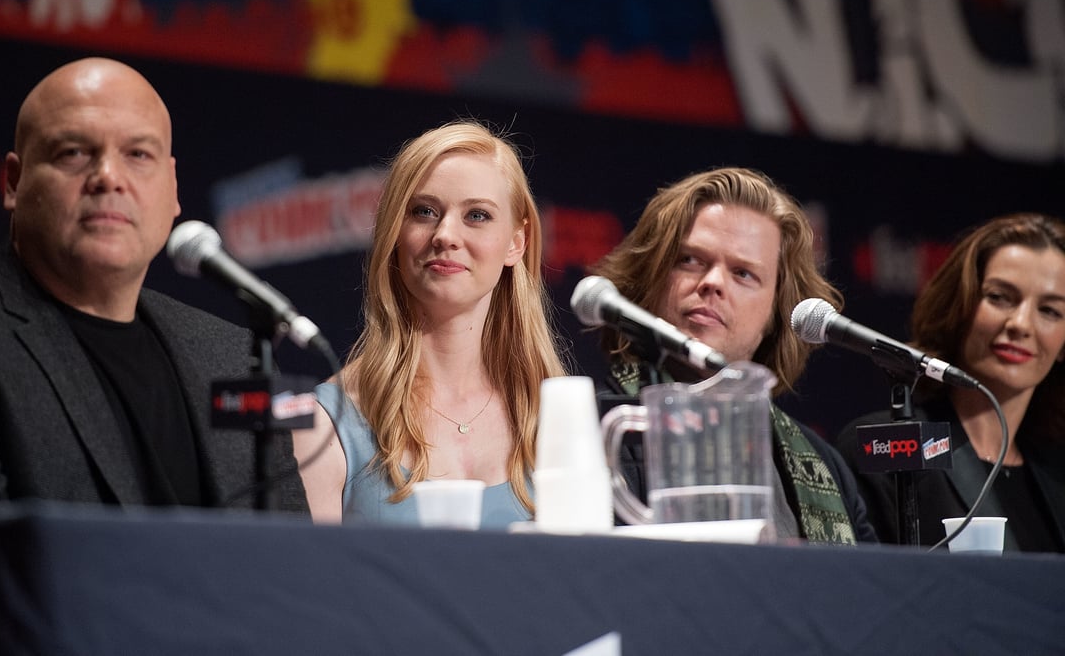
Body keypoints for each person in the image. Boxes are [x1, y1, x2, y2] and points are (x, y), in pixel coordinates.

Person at [0, 57, 307, 515]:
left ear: (173, 188)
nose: (108, 177)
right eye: (73, 153)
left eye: (138, 154)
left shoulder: (233, 355)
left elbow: (292, 563)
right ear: (14, 182)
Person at [293, 120, 567, 528]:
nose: (445, 235)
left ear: (516, 242)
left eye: (477, 215)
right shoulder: (323, 424)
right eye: (424, 212)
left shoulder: (556, 419)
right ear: (394, 232)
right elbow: (305, 587)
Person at [590, 166, 875, 544]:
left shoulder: (827, 468)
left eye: (743, 273)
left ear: (777, 313)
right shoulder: (595, 430)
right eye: (690, 260)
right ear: (652, 276)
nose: (712, 283)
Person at [836, 213, 1065, 552]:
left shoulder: (1057, 471)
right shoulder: (883, 449)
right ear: (960, 305)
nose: (1021, 324)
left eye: (1050, 311)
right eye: (1000, 297)